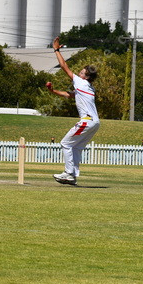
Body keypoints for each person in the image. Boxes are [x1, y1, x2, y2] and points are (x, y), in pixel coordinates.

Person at [46, 37, 100, 185]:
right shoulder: (88, 87)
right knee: (75, 147)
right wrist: (52, 91)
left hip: (87, 121)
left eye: (81, 72)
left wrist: (56, 50)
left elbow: (64, 66)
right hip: (95, 122)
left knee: (65, 143)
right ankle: (73, 175)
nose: (79, 73)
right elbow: (68, 95)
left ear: (86, 77)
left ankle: (69, 173)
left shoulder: (81, 82)